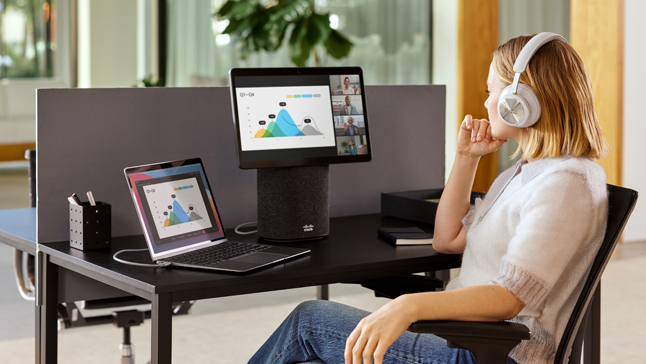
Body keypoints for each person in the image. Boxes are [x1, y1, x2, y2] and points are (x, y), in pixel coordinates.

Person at [248, 33, 609, 364]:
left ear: (521, 100)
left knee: (308, 321)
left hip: (493, 353)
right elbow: (447, 239)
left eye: (491, 91)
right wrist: (467, 158)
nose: (485, 103)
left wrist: (408, 306)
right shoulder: (525, 174)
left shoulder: (566, 185)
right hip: (461, 336)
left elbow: (508, 298)